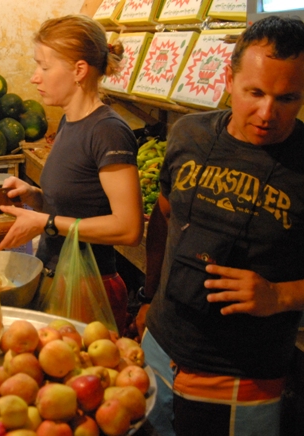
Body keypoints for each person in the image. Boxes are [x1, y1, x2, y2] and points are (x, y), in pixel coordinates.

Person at [135, 16, 304, 436]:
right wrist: (148, 295)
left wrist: (278, 295)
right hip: (158, 349)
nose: (267, 113)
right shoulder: (188, 135)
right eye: (255, 93)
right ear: (229, 80)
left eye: (287, 98)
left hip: (242, 379)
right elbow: (165, 215)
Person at [0, 15, 144, 334]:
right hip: (59, 277)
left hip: (90, 287)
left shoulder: (108, 133)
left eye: (45, 67)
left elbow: (129, 228)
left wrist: (46, 223)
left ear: (79, 70)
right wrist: (34, 196)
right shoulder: (68, 123)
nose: (35, 77)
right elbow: (80, 205)